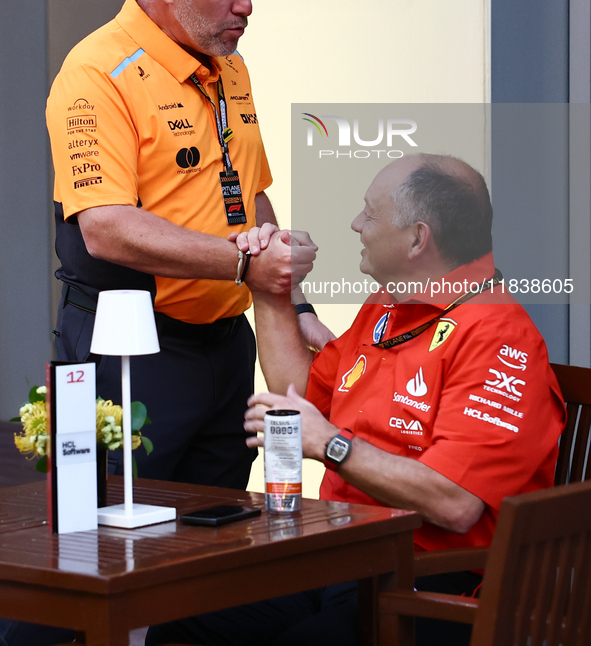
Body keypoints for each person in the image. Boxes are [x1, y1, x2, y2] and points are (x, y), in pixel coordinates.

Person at [146, 154, 566, 646]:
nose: (355, 224)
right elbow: (298, 398)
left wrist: (330, 445)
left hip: (435, 581)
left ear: (417, 238)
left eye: (370, 212)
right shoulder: (389, 306)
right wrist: (268, 284)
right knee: (180, 623)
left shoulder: (497, 337)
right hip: (344, 554)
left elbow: (455, 504)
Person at [45, 0, 330, 490]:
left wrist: (293, 300)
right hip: (135, 349)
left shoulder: (229, 65)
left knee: (219, 531)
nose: (246, 6)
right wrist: (249, 264)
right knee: (117, 533)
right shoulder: (96, 73)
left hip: (227, 345)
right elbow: (106, 227)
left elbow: (249, 194)